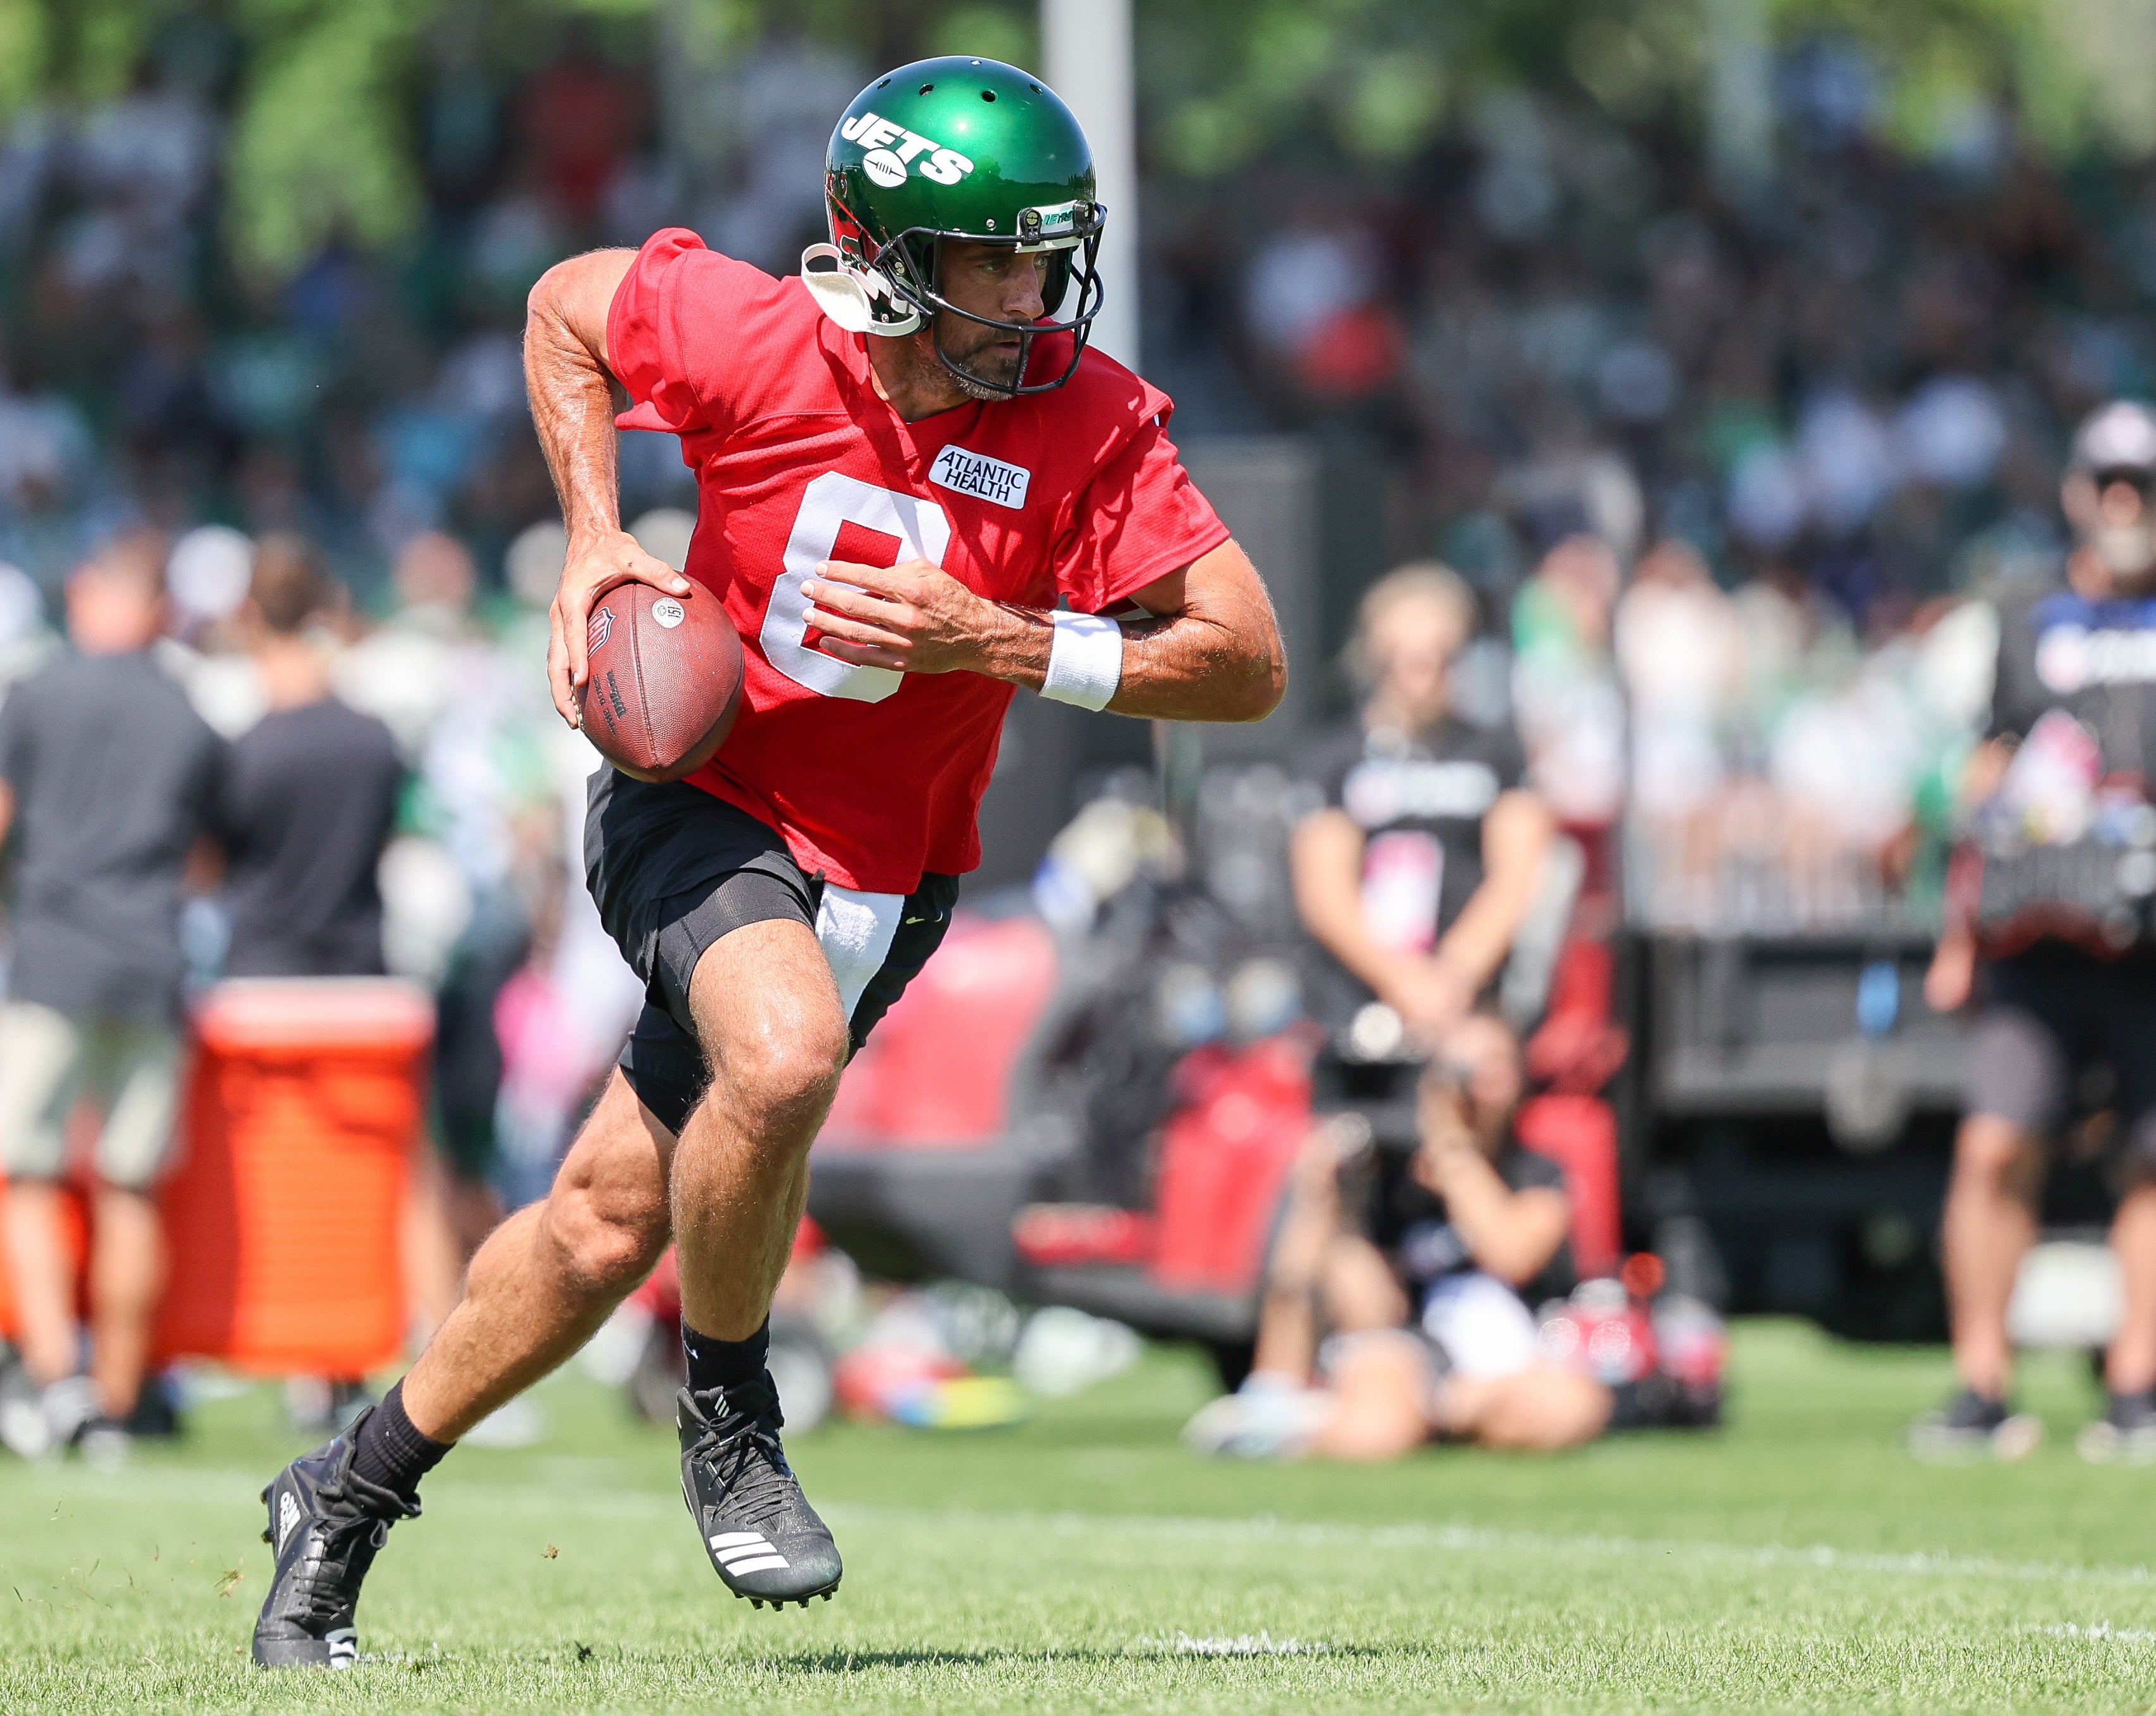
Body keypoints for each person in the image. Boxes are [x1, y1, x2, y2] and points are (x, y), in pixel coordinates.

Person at [251, 56, 1287, 1668]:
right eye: (995, 256)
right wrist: (595, 530)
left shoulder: (1082, 415)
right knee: (783, 1046)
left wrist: (1010, 641)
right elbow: (563, 306)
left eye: (1043, 249)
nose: (1032, 289)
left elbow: (1244, 659)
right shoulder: (755, 334)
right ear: (885, 252)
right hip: (703, 798)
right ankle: (729, 1411)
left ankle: (343, 1491)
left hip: (887, 866)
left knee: (602, 1219)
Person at [0, 531, 228, 1468]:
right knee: (130, 1184)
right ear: (160, 610)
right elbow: (207, 860)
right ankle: (115, 1401)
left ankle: (55, 1371)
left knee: (29, 1172)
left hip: (50, 956)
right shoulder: (187, 712)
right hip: (147, 960)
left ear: (85, 592)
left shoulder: (33, 691)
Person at [1916, 401, 2156, 1463]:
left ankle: (2137, 1390)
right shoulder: (2021, 616)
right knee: (1990, 1146)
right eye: (2107, 482)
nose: (2123, 504)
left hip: (2147, 947)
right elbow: (1982, 775)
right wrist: (1954, 932)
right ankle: (1980, 1385)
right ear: (2075, 490)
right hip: (2031, 942)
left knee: (2149, 1168)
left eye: (2139, 486)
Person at [1187, 1011, 1609, 1461]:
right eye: (1460, 1068)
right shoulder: (1380, 1175)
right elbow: (1349, 1302)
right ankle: (1299, 1424)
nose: (1475, 1083)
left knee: (1571, 1408)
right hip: (1405, 1354)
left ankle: (1435, 1418)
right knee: (1377, 1430)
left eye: (1493, 1064)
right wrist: (1321, 1196)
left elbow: (1509, 1254)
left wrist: (1450, 1148)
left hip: (1501, 1364)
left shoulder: (1536, 1170)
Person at [1291, 562, 1554, 1121]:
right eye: (1406, 658)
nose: (1423, 674)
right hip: (1359, 1000)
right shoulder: (1334, 756)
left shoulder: (1496, 750)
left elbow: (1518, 875)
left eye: (1441, 657)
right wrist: (1401, 980)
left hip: (1468, 1005)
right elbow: (1324, 891)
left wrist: (1452, 979)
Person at [217, 534, 406, 981]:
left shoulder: (241, 754)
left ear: (249, 615)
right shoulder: (376, 741)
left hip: (260, 983)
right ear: (324, 611)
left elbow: (208, 869)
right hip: (357, 979)